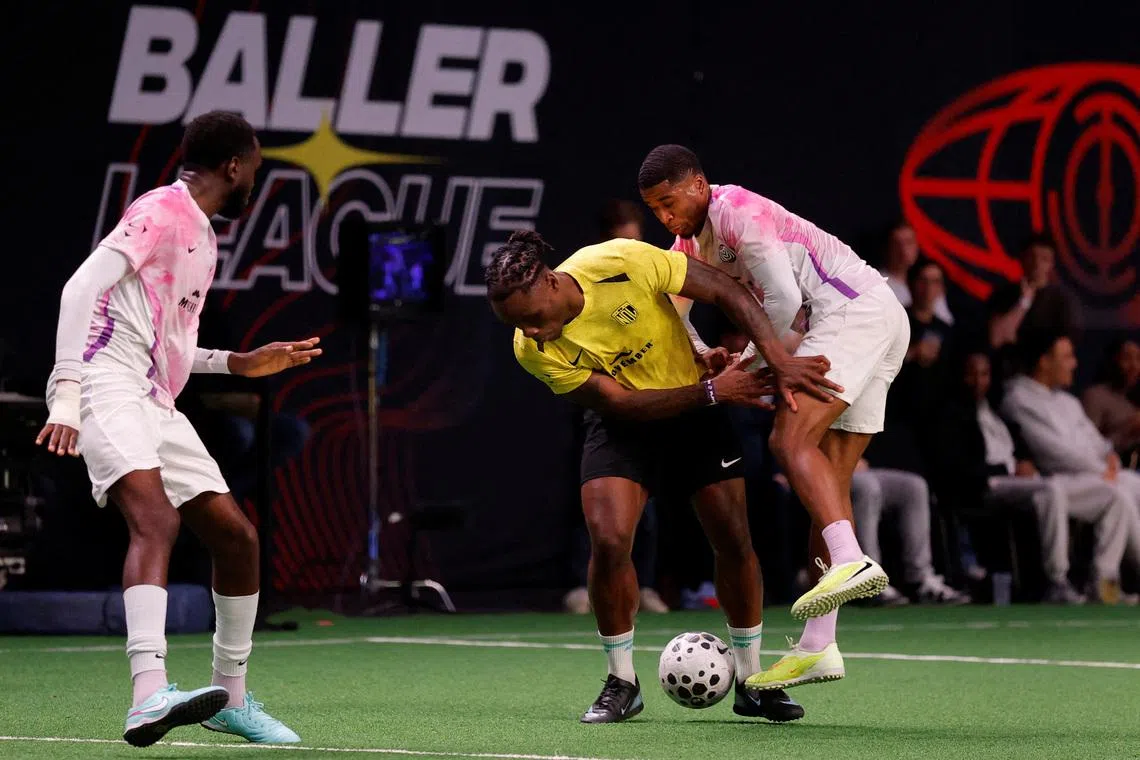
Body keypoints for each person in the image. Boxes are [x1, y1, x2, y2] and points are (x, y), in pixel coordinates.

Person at [36, 111, 319, 747]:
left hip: (153, 396)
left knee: (236, 537)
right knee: (156, 520)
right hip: (104, 381)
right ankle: (146, 695)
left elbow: (167, 341)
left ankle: (232, 699)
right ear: (235, 167)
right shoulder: (163, 211)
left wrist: (237, 363)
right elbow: (78, 290)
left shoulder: (200, 234)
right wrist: (67, 393)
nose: (255, 182)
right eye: (256, 171)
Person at [486, 229, 840, 723]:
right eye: (517, 325)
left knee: (735, 540)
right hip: (626, 424)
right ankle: (621, 682)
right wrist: (715, 391)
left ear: (550, 283)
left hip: (695, 408)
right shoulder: (531, 348)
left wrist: (776, 361)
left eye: (532, 319)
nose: (533, 333)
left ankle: (751, 680)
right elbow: (622, 404)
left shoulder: (620, 260)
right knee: (609, 541)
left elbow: (727, 290)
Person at [637, 145, 905, 692]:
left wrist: (751, 365)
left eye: (669, 203)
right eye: (655, 210)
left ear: (697, 184)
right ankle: (818, 645)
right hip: (877, 316)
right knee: (826, 481)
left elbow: (781, 301)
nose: (665, 218)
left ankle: (852, 558)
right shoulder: (689, 244)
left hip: (851, 310)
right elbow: (670, 310)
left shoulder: (738, 211)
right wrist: (701, 349)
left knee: (788, 439)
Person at [935, 350, 1125, 603]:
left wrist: (1025, 462)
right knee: (1051, 491)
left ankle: (1103, 580)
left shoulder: (996, 410)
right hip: (987, 486)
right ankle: (1057, 579)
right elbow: (958, 467)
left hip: (1021, 483)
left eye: (984, 374)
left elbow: (1020, 448)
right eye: (971, 374)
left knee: (1110, 495)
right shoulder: (950, 415)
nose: (978, 381)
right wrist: (1009, 470)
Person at [565, 199, 668, 615]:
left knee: (648, 508)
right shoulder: (585, 281)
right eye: (623, 241)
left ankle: (643, 585)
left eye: (636, 240)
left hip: (653, 403)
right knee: (597, 509)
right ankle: (581, 585)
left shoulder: (650, 269)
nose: (630, 249)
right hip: (603, 405)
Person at [1000, 333, 1140, 603]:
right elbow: (1053, 453)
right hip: (1058, 480)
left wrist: (1109, 457)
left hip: (1095, 477)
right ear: (1044, 362)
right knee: (1117, 492)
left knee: (1129, 487)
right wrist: (1101, 470)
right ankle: (1088, 584)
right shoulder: (1019, 398)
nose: (1074, 364)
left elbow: (1099, 444)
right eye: (1067, 357)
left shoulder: (1068, 402)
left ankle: (1104, 584)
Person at [880, 221, 953, 324]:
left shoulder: (931, 280)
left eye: (909, 242)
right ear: (888, 247)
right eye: (897, 244)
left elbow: (944, 322)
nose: (903, 250)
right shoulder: (878, 284)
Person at [1082, 338, 1140, 465]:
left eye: (1138, 359)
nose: (1134, 366)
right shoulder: (1095, 396)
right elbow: (1086, 448)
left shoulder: (1133, 399)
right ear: (1113, 361)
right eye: (1127, 358)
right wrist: (1129, 429)